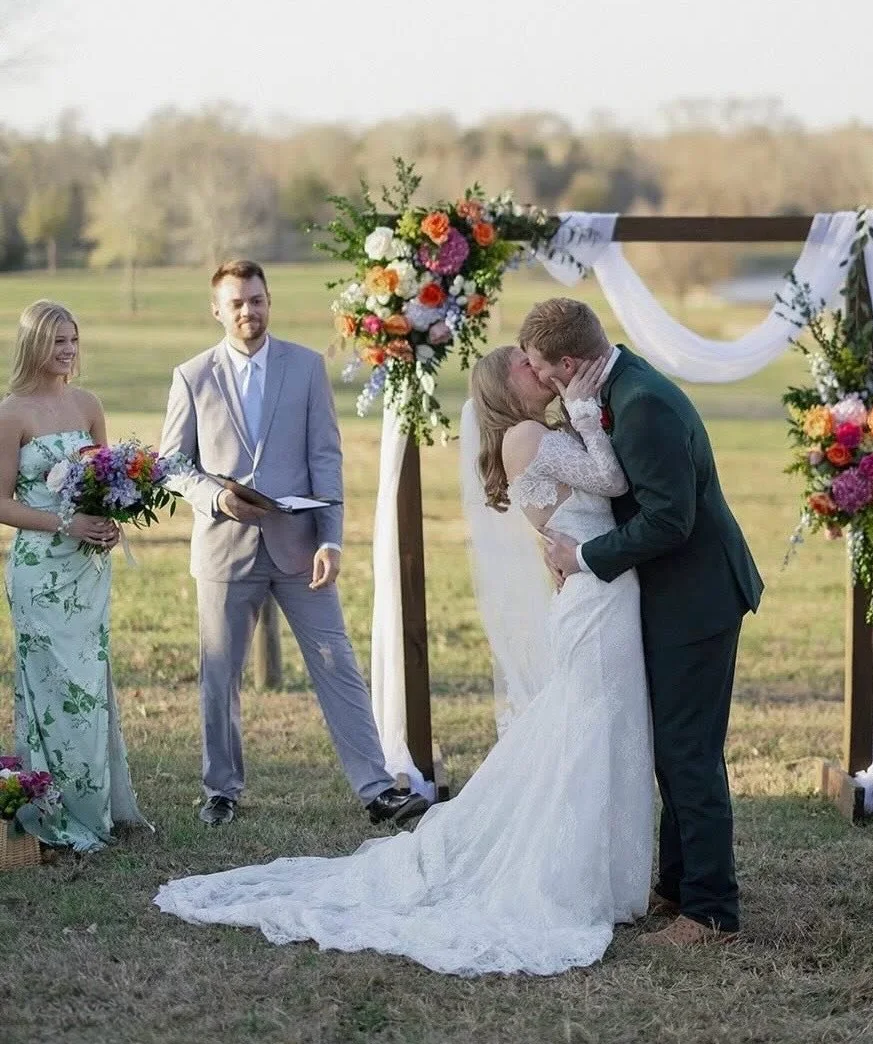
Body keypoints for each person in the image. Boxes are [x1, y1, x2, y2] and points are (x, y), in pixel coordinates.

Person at [155, 345, 654, 976]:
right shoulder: (530, 434)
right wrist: (586, 413)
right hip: (592, 594)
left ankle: (600, 873)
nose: (542, 367)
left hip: (592, 590)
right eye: (528, 366)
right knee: (581, 731)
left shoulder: (533, 433)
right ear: (505, 389)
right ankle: (570, 873)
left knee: (586, 729)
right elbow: (611, 481)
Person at [528, 299, 763, 946]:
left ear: (570, 363)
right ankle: (678, 887)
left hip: (696, 598)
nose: (544, 384)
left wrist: (583, 557)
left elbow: (668, 519)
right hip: (672, 597)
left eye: (545, 372)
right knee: (672, 748)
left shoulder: (641, 405)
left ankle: (711, 911)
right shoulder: (621, 390)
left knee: (688, 754)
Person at [158, 260, 422, 829]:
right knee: (219, 672)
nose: (248, 311)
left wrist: (332, 540)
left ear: (268, 300)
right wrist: (215, 498)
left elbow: (325, 456)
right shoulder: (192, 376)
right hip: (224, 549)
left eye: (256, 299)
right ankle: (220, 791)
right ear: (217, 310)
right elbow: (170, 465)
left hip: (301, 548)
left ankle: (378, 790)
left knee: (337, 663)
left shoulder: (305, 367)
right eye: (236, 303)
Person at [0, 300, 148, 851]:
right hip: (39, 571)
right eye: (57, 341)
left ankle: (96, 806)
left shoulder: (89, 404)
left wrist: (112, 523)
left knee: (88, 685)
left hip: (87, 571)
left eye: (74, 341)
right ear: (34, 345)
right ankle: (53, 810)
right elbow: (2, 503)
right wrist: (67, 523)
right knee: (52, 685)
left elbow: (107, 485)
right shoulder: (12, 412)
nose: (67, 352)